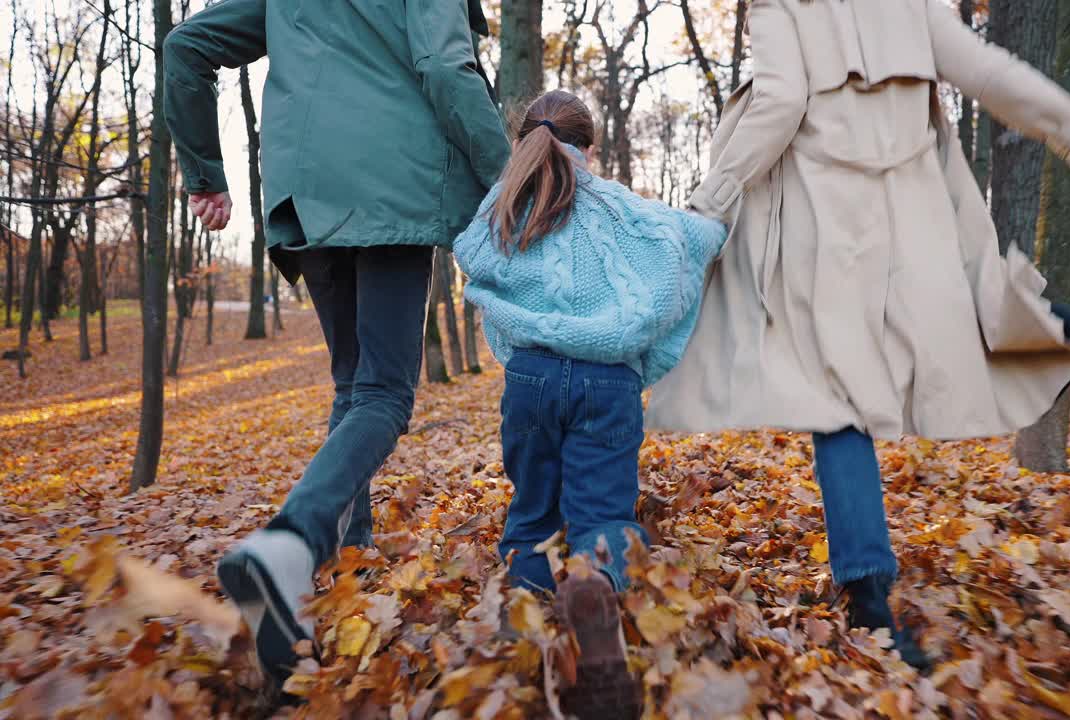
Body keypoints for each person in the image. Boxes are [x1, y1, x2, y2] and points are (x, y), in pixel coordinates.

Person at [646, 0, 1070, 670]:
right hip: (911, 230)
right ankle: (1049, 340)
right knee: (948, 335)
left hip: (823, 237)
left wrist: (707, 207)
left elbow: (780, 104)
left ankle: (870, 595)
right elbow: (990, 73)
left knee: (837, 406)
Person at [162, 0, 511, 689]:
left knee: (354, 386)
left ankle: (347, 562)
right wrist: (508, 175)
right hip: (393, 183)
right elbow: (445, 64)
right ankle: (290, 544)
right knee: (384, 392)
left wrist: (204, 173)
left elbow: (185, 46)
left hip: (305, 190)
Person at [452, 90, 727, 719]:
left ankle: (523, 644)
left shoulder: (508, 203)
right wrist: (724, 218)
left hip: (531, 380)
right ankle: (596, 587)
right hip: (607, 383)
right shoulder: (622, 207)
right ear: (591, 147)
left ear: (525, 140)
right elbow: (689, 238)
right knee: (602, 512)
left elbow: (470, 254)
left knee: (530, 515)